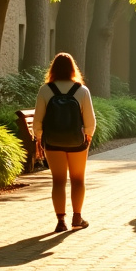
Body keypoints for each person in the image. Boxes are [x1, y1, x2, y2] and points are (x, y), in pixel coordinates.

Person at [32, 52, 96, 232]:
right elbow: (90, 121)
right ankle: (77, 217)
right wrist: (88, 137)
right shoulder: (81, 90)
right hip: (77, 142)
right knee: (78, 179)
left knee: (58, 181)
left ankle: (61, 221)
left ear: (53, 69)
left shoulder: (46, 90)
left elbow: (38, 120)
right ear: (72, 69)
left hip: (53, 142)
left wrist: (39, 138)